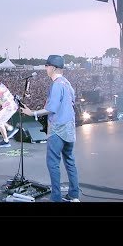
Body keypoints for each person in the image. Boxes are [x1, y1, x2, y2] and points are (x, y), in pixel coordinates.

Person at [20, 55, 80, 202]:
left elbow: (51, 108)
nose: (45, 69)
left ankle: (56, 198)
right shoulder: (67, 83)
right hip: (70, 128)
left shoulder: (56, 84)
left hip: (58, 129)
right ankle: (74, 195)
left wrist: (31, 112)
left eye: (47, 66)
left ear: (53, 67)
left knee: (53, 163)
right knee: (70, 161)